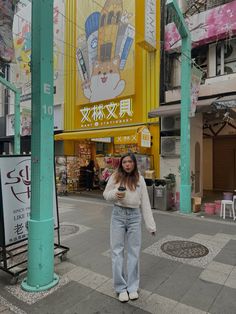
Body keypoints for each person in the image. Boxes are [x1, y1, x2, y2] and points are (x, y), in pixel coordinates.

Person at [103, 153, 156, 303]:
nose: (127, 164)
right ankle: (120, 288)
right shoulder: (115, 176)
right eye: (124, 162)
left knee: (134, 252)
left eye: (130, 162)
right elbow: (106, 194)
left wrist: (150, 225)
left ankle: (132, 287)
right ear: (121, 164)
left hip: (134, 217)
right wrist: (115, 194)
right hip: (118, 215)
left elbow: (145, 202)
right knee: (117, 251)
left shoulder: (140, 179)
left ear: (134, 164)